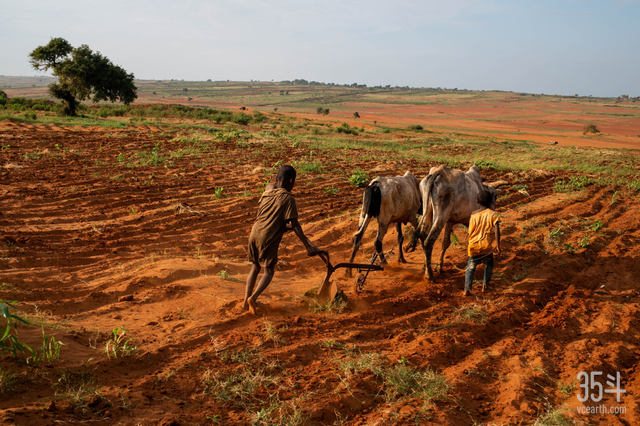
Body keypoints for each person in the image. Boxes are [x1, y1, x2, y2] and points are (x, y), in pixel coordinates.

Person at [243, 165, 325, 315]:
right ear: (291, 181)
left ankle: (245, 302)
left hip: (254, 232)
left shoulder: (269, 188)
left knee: (255, 267)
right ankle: (253, 299)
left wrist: (281, 227)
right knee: (268, 272)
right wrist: (308, 246)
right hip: (267, 236)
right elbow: (296, 225)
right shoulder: (288, 199)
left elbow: (271, 213)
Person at [464, 190, 501, 296]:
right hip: (486, 247)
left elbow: (470, 229)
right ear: (491, 202)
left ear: (477, 201)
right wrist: (498, 246)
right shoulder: (493, 214)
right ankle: (485, 286)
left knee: (470, 267)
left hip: (473, 246)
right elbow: (497, 230)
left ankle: (467, 289)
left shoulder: (473, 214)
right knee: (489, 265)